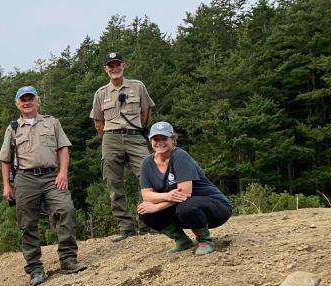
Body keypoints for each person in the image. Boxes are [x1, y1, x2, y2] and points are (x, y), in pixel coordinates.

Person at [0, 86, 88, 286]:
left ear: (37, 101)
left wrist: (63, 173)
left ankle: (68, 259)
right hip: (25, 179)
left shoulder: (52, 122)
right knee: (27, 223)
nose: (27, 102)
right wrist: (7, 186)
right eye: (23, 99)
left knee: (66, 209)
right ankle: (35, 269)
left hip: (51, 177)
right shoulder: (12, 128)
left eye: (30, 99)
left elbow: (63, 148)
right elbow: (5, 159)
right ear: (17, 104)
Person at [137, 121, 232, 255]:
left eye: (164, 138)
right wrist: (166, 196)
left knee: (186, 207)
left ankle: (204, 240)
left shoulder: (180, 156)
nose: (159, 142)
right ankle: (182, 240)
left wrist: (158, 206)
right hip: (180, 206)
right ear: (150, 140)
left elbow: (185, 193)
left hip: (214, 206)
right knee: (145, 211)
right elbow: (147, 195)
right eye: (155, 139)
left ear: (173, 140)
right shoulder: (147, 162)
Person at [90, 51, 156, 241]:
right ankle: (126, 228)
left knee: (147, 176)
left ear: (124, 66)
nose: (115, 68)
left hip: (135, 137)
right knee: (114, 182)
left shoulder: (137, 87)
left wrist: (136, 130)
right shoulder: (101, 94)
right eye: (111, 65)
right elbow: (98, 123)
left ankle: (147, 223)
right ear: (106, 69)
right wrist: (107, 140)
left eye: (117, 64)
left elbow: (146, 113)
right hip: (110, 139)